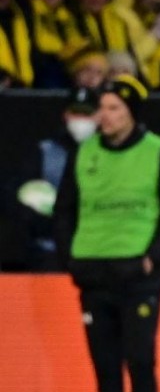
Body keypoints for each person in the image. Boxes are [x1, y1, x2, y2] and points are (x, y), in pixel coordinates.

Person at [53, 75, 160, 392]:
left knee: (140, 360)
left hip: (138, 275)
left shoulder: (158, 152)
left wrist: (151, 259)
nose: (105, 116)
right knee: (105, 366)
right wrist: (71, 260)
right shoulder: (85, 153)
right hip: (94, 275)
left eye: (114, 108)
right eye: (102, 108)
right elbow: (65, 211)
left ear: (132, 112)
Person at [16, 86, 99, 271]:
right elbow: (25, 198)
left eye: (87, 114)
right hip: (51, 252)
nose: (81, 120)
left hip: (97, 249)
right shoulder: (45, 151)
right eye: (76, 113)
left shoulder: (108, 154)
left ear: (98, 116)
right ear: (66, 114)